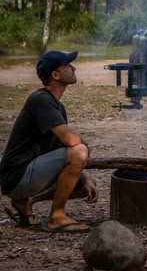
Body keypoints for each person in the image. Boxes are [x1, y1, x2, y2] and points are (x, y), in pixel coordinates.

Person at [0, 50, 98, 233]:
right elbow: (70, 140)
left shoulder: (56, 106)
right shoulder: (41, 100)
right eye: (68, 65)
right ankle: (57, 217)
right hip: (17, 175)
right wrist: (84, 146)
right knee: (80, 151)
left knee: (83, 185)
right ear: (55, 75)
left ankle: (26, 201)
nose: (73, 67)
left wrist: (84, 177)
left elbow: (60, 148)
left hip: (28, 174)